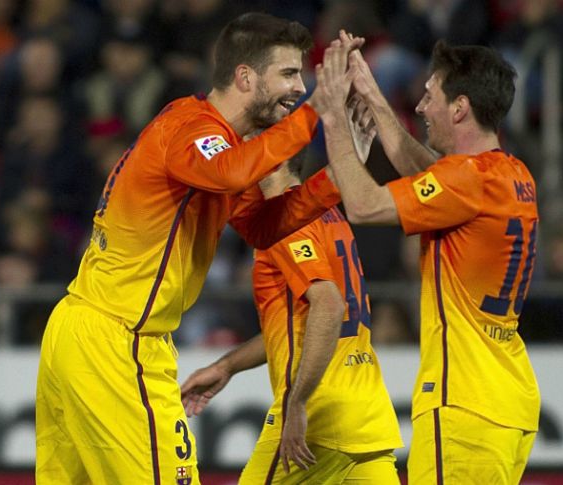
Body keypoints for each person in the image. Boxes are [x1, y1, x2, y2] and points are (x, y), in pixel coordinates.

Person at [34, 14, 364, 485]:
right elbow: (229, 173)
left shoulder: (217, 144)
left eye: (304, 76)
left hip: (83, 329)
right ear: (245, 76)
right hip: (118, 341)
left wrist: (339, 175)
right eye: (289, 74)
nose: (301, 87)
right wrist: (319, 114)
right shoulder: (193, 129)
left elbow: (260, 226)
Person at [314, 33, 540, 485]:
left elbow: (362, 205)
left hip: (462, 405)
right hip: (508, 400)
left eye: (429, 96)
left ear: (459, 108)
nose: (419, 108)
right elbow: (431, 177)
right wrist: (375, 98)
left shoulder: (464, 181)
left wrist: (333, 116)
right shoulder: (511, 175)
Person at [180, 146, 402, 485]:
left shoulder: (285, 219)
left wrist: (297, 403)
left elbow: (328, 306)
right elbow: (302, 324)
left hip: (318, 415)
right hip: (366, 417)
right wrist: (227, 366)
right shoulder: (325, 211)